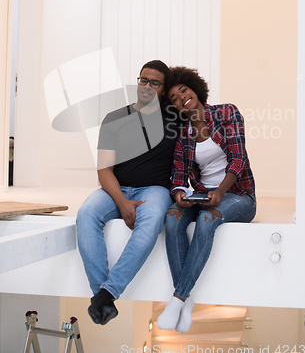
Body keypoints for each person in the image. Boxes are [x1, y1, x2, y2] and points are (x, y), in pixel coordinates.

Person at [77, 60, 179, 325]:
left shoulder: (175, 119)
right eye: (143, 80)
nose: (146, 86)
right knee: (86, 213)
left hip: (155, 189)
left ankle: (107, 293)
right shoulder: (115, 118)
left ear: (163, 88)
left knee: (153, 220)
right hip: (115, 186)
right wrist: (122, 202)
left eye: (154, 82)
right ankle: (103, 294)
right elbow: (103, 170)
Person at [157, 66, 256, 333]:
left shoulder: (226, 112)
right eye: (175, 99)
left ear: (195, 88)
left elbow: (238, 158)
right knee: (172, 217)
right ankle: (187, 303)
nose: (181, 99)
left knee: (206, 218)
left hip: (237, 195)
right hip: (202, 195)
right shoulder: (183, 134)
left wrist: (220, 193)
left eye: (184, 91)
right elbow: (178, 175)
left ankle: (177, 300)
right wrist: (179, 193)